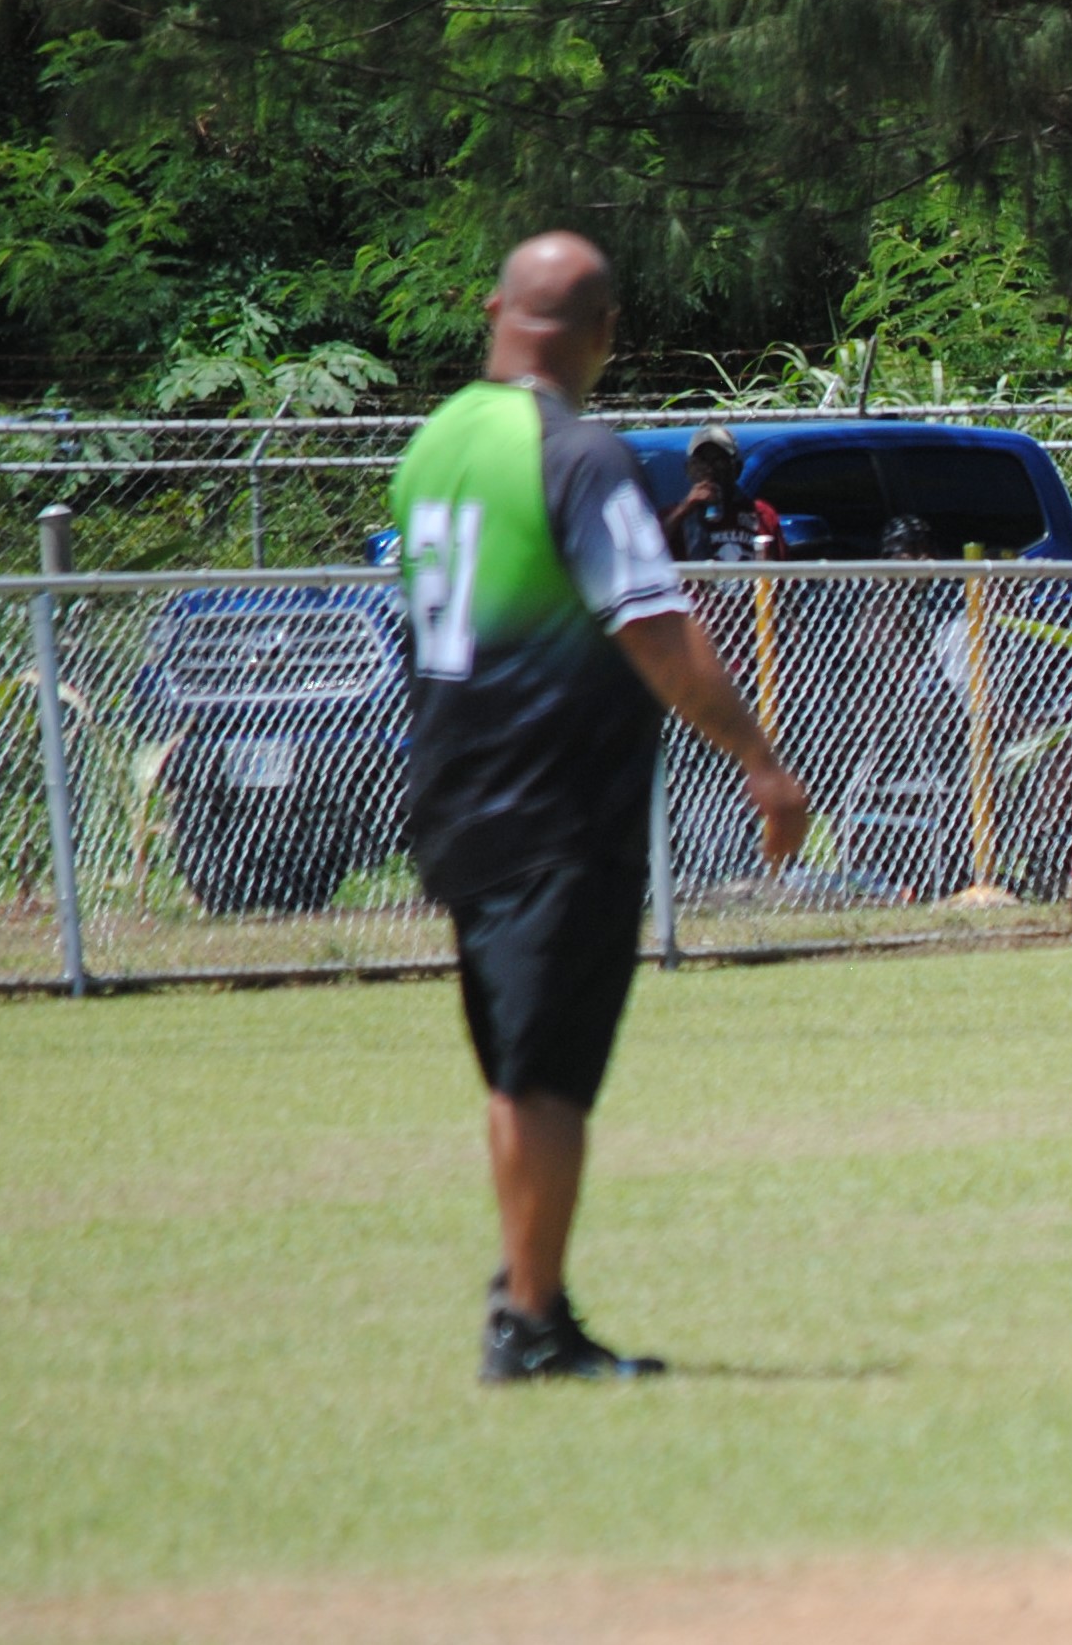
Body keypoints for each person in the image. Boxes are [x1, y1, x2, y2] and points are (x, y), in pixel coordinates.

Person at [392, 232, 810, 1383]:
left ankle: (529, 1296)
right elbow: (654, 625)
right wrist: (760, 760)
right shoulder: (579, 457)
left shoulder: (432, 446)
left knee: (513, 1066)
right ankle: (529, 1326)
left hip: (454, 796)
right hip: (558, 802)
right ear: (603, 335)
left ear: (493, 311)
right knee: (553, 1076)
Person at [660, 424, 787, 562]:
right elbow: (649, 551)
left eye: (718, 460)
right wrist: (686, 507)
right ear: (688, 470)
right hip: (698, 583)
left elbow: (781, 568)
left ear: (737, 469)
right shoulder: (674, 515)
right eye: (701, 461)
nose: (709, 469)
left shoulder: (760, 513)